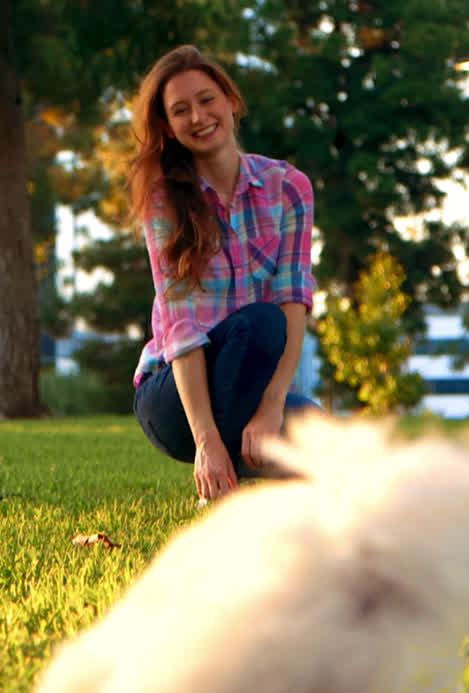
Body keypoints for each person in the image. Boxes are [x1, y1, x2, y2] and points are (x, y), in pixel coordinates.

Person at [129, 45, 320, 502]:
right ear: (169, 129)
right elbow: (181, 327)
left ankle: (239, 481)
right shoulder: (163, 201)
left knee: (320, 434)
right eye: (180, 110)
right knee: (260, 323)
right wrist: (205, 440)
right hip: (173, 398)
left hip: (253, 390)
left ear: (231, 101)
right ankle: (229, 463)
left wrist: (273, 405)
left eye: (207, 99)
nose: (198, 116)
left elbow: (295, 300)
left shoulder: (288, 188)